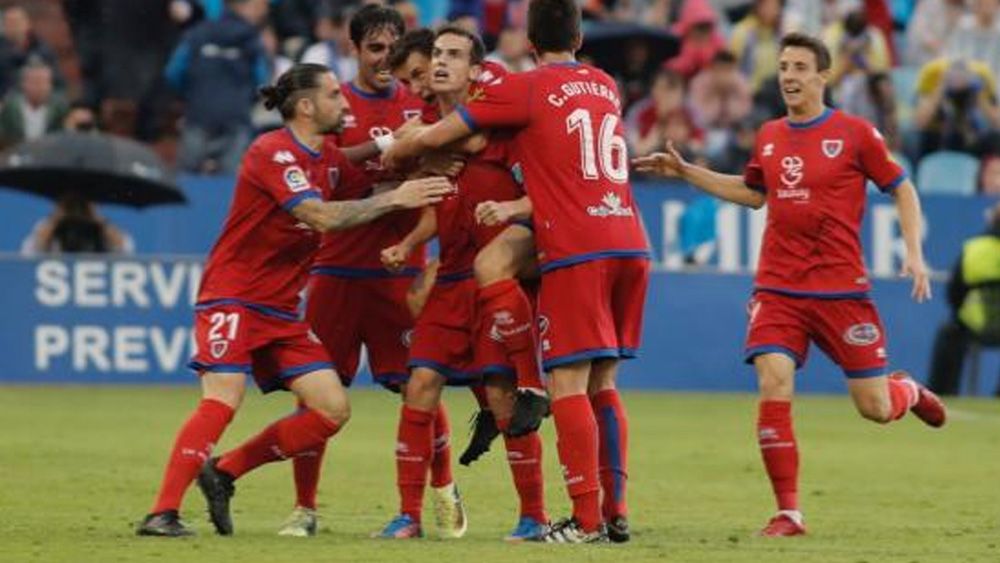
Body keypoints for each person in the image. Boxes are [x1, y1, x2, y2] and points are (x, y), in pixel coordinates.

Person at [633, 32, 947, 538]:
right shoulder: (770, 135)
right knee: (773, 378)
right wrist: (689, 172)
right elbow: (754, 193)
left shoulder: (856, 134)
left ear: (823, 76)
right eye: (783, 66)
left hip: (842, 291)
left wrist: (913, 252)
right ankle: (789, 513)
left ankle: (906, 390)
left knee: (874, 407)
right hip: (778, 288)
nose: (789, 76)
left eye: (800, 67)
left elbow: (901, 187)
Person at [135, 63, 454, 537]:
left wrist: (410, 151)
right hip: (234, 297)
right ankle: (162, 513)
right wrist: (395, 198)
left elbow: (362, 171)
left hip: (281, 310)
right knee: (223, 399)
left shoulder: (326, 159)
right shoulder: (272, 151)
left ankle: (223, 472)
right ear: (305, 106)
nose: (345, 104)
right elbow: (321, 215)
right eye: (333, 96)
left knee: (331, 409)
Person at [384, 0, 650, 543]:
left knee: (567, 382)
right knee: (603, 381)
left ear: (527, 43)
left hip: (576, 244)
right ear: (579, 38)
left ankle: (584, 520)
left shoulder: (520, 87)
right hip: (629, 236)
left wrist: (410, 144)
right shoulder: (604, 84)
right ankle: (615, 508)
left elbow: (444, 138)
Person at [285, 5, 467, 539]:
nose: (387, 60)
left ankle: (443, 489)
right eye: (375, 49)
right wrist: (389, 171)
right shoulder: (332, 104)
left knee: (421, 387)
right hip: (336, 270)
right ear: (356, 50)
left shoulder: (422, 101)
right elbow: (322, 181)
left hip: (397, 273)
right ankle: (304, 507)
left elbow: (445, 176)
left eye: (394, 48)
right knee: (314, 396)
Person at [374, 26, 548, 541]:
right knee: (421, 384)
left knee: (500, 397)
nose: (434, 72)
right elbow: (403, 164)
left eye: (451, 57)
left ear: (472, 68)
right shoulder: (428, 125)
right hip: (450, 276)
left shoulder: (500, 117)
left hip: (497, 275)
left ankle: (533, 516)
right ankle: (408, 514)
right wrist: (410, 245)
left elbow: (537, 189)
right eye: (437, 58)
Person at [164, 0, 270, 174]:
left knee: (187, 178)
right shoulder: (251, 37)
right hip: (236, 116)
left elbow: (173, 72)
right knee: (229, 182)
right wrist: (245, 99)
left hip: (198, 114)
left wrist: (190, 94)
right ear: (241, 6)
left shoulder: (196, 33)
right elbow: (261, 79)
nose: (261, 12)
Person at [928, 202, 1000, 396]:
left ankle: (941, 393)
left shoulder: (975, 249)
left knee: (949, 332)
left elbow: (954, 295)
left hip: (977, 326)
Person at [20, 191, 133, 255]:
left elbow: (126, 249)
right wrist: (58, 216)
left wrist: (96, 218)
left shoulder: (102, 226)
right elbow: (28, 253)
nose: (77, 208)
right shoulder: (49, 225)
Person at [0, 60, 67, 147]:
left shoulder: (60, 108)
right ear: (24, 84)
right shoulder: (11, 108)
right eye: (35, 82)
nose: (40, 87)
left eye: (44, 82)